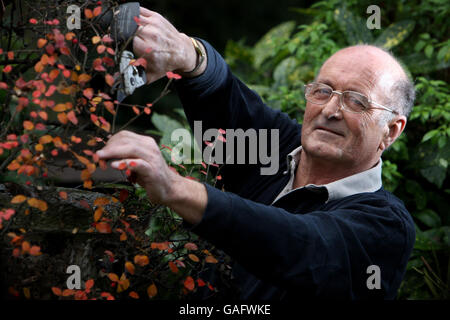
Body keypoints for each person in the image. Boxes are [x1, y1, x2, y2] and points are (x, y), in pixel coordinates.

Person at [96, 6, 416, 299]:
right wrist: (187, 55)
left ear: (390, 131)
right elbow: (228, 107)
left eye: (356, 101)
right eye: (322, 91)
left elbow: (300, 245)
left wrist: (174, 186)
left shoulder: (385, 227)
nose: (330, 110)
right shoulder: (276, 152)